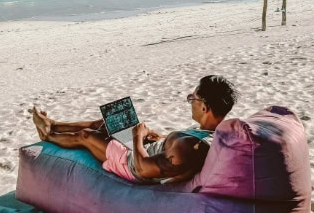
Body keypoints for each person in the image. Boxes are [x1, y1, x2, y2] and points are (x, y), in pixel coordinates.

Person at [30, 75, 238, 184]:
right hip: (148, 149)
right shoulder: (210, 132)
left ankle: (48, 135)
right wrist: (156, 137)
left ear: (205, 107)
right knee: (108, 122)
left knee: (87, 136)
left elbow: (143, 170)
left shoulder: (190, 147)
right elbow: (173, 148)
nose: (189, 101)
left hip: (131, 164)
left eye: (193, 97)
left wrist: (138, 138)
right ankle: (55, 124)